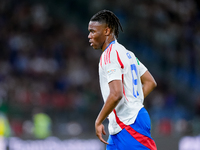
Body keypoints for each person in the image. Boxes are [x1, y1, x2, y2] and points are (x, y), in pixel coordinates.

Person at [88, 9, 157, 150]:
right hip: (119, 127)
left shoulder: (109, 55)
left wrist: (98, 121)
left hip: (130, 124)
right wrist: (133, 101)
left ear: (107, 31)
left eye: (93, 31)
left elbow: (116, 94)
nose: (89, 36)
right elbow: (150, 82)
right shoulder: (127, 53)